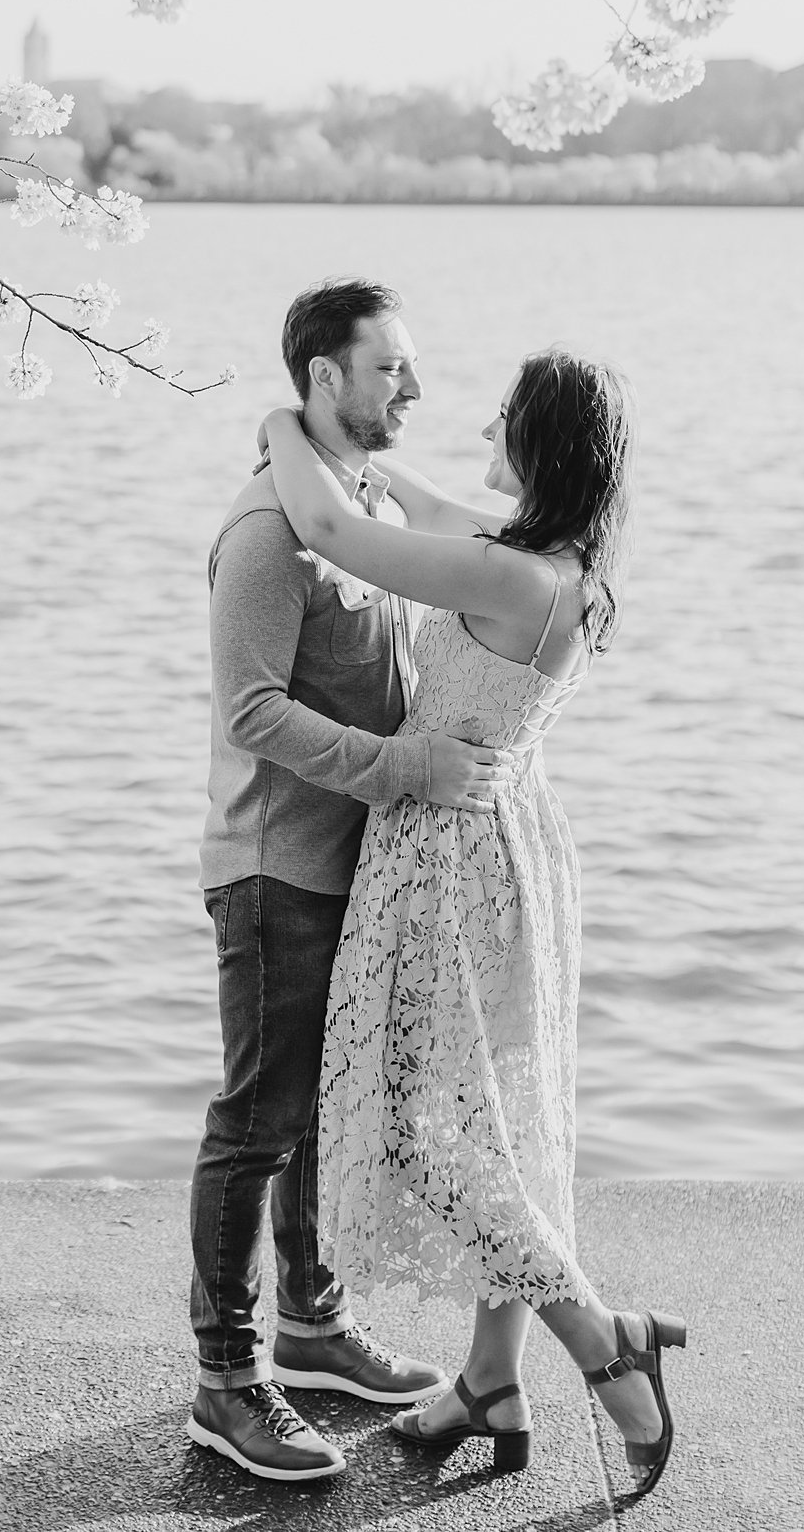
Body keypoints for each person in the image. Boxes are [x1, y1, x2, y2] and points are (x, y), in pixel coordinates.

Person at [259, 346, 688, 1512]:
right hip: (504, 851)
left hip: (450, 860)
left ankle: (603, 1339)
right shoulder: (548, 564)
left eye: (507, 416)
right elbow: (435, 515)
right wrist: (366, 460)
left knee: (429, 1125)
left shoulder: (518, 582)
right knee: (492, 1115)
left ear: (544, 444)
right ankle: (492, 1381)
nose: (481, 424)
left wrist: (288, 427)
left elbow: (344, 542)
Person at [187, 277, 518, 1484]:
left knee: (322, 1113)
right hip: (276, 870)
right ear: (325, 379)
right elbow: (251, 710)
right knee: (258, 1125)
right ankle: (226, 1383)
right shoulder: (272, 530)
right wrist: (412, 767)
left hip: (354, 868)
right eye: (389, 370)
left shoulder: (352, 503)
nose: (415, 391)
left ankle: (313, 1329)